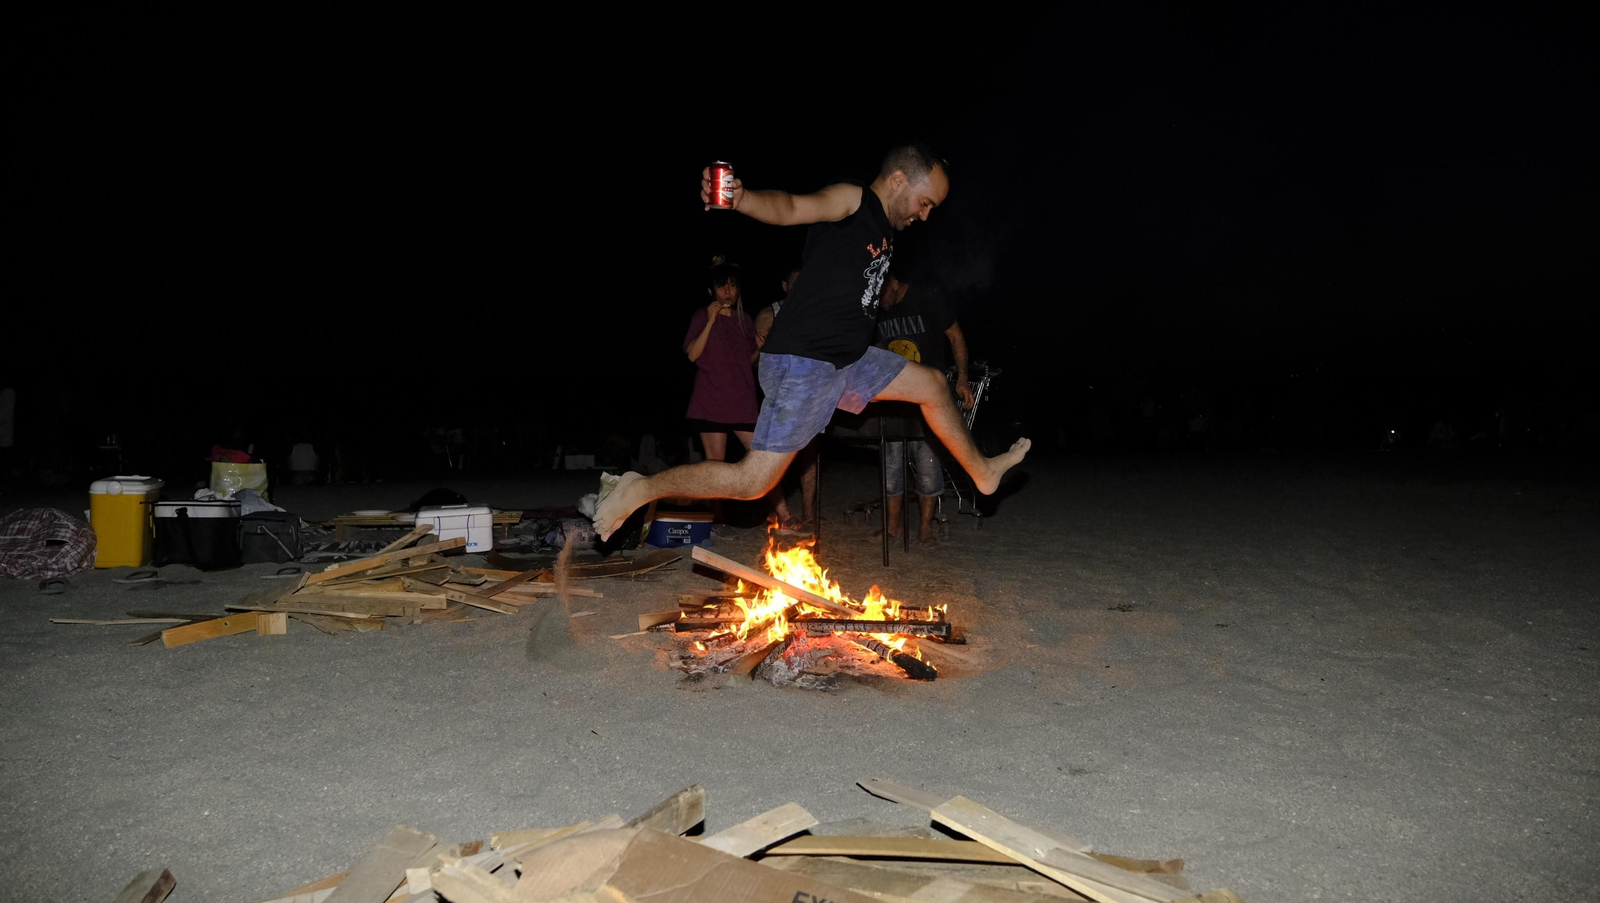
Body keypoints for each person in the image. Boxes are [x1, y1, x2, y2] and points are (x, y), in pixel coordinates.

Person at [591, 142, 1029, 540]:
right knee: (752, 481)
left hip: (848, 360)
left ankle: (982, 471)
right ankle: (639, 488)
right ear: (899, 180)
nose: (925, 215)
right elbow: (790, 207)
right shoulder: (854, 200)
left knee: (932, 384)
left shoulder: (885, 229)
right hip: (804, 361)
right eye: (925, 202)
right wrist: (743, 199)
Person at [683, 257, 796, 526]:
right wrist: (710, 322)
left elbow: (747, 362)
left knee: (763, 460)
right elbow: (692, 355)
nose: (728, 291)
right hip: (711, 399)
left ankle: (784, 515)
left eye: (732, 285)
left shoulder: (745, 320)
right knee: (716, 464)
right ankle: (717, 517)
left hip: (742, 401)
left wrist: (759, 348)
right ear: (711, 291)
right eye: (721, 286)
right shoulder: (701, 316)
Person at [873, 273, 972, 545]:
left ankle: (925, 529)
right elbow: (878, 347)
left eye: (882, 295)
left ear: (894, 284)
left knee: (928, 465)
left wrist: (962, 378)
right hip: (894, 399)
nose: (880, 303)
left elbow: (956, 336)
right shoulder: (879, 310)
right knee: (891, 465)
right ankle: (892, 528)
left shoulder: (927, 298)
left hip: (928, 398)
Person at [754, 268, 819, 532]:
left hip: (810, 394)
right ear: (784, 285)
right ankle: (778, 511)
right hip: (778, 396)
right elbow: (758, 356)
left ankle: (809, 513)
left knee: (809, 456)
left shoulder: (815, 311)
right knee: (775, 459)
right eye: (795, 283)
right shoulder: (770, 313)